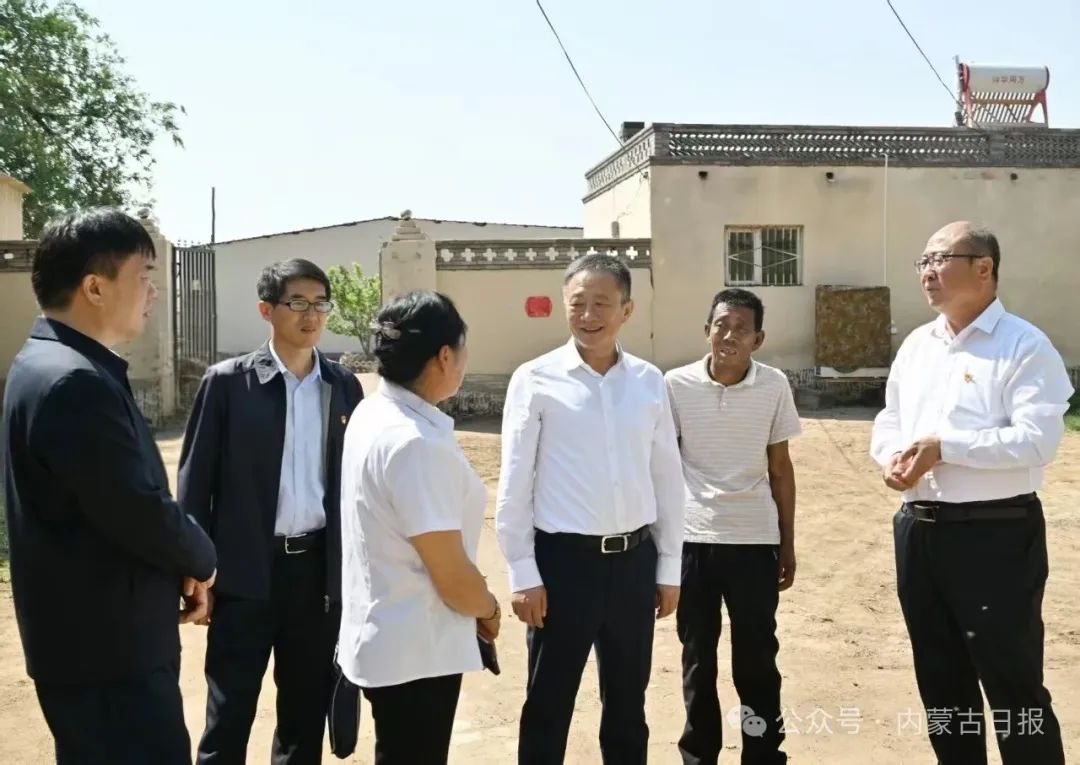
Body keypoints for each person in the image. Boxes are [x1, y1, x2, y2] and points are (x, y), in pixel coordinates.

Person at [3, 208, 217, 765]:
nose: (154, 292)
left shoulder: (46, 362)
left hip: (89, 642)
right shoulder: (75, 380)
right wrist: (201, 559)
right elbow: (136, 509)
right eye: (144, 276)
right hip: (108, 654)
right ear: (95, 287)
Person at [870, 221, 1072, 765]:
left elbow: (1036, 441)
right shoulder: (917, 346)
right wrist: (890, 456)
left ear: (984, 268)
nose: (927, 271)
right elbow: (890, 418)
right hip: (919, 532)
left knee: (1012, 681)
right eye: (923, 261)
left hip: (995, 535)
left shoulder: (1024, 346)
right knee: (941, 682)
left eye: (940, 259)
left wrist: (945, 449)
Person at [496, 252, 685, 764]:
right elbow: (515, 481)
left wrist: (669, 567)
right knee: (548, 704)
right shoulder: (535, 378)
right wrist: (522, 572)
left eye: (602, 303)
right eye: (577, 303)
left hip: (633, 565)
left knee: (627, 706)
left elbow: (667, 477)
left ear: (627, 310)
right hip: (563, 568)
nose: (588, 315)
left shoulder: (649, 381)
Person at [178, 259, 364, 763]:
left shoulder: (343, 386)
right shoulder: (227, 384)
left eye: (321, 303)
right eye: (297, 302)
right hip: (244, 575)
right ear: (267, 309)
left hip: (317, 579)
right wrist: (195, 572)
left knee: (304, 720)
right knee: (228, 716)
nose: (312, 314)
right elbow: (195, 485)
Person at [338, 290, 501, 765]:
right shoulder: (414, 443)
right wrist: (489, 608)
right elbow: (451, 577)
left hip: (389, 636)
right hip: (415, 650)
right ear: (445, 355)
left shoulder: (375, 412)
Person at [664, 288, 800, 765]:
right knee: (697, 659)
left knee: (757, 660)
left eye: (742, 328)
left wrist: (787, 543)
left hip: (754, 541)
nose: (729, 335)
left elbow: (780, 468)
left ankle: (763, 755)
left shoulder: (774, 386)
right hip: (693, 541)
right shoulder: (675, 385)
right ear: (707, 331)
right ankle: (699, 756)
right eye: (721, 325)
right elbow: (663, 467)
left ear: (758, 339)